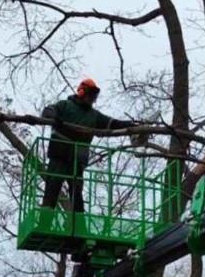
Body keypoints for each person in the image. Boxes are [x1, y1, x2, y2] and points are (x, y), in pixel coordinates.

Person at [40, 78, 143, 213]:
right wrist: (53, 118)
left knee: (77, 194)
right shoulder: (65, 105)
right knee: (52, 189)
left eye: (94, 97)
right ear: (82, 92)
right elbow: (48, 110)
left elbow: (112, 123)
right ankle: (45, 222)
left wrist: (131, 126)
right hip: (60, 154)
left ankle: (78, 225)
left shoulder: (94, 116)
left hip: (77, 158)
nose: (92, 99)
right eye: (91, 95)